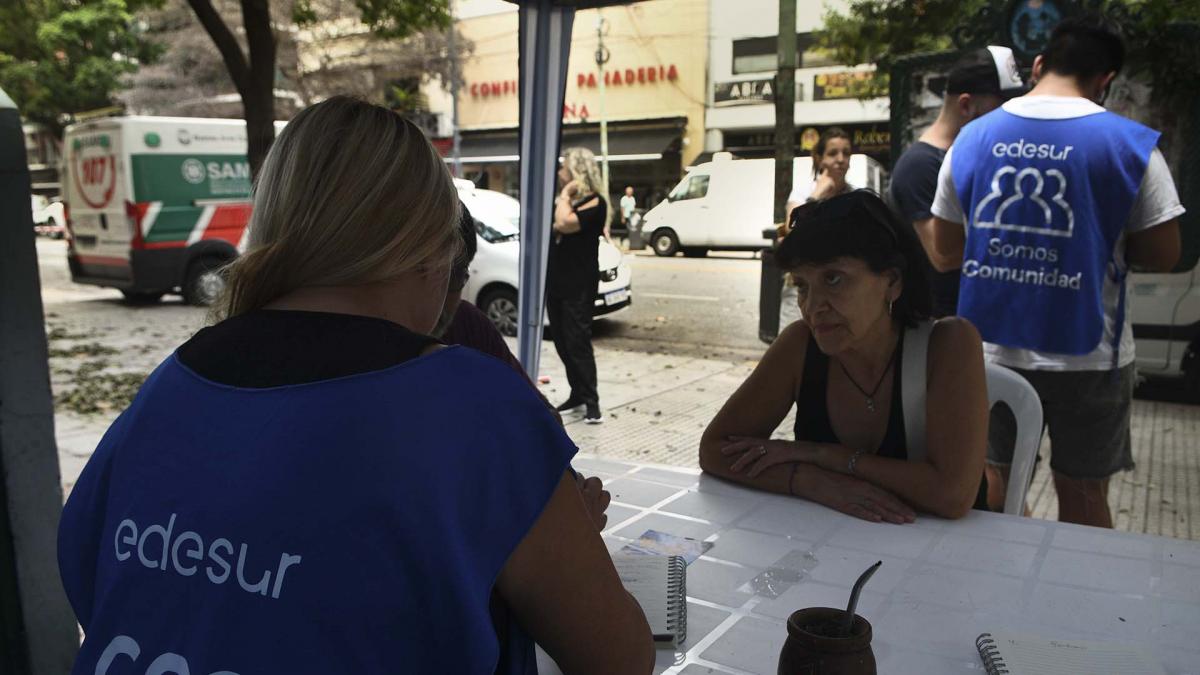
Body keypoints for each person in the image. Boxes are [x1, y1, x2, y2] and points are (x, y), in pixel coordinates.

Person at [56, 97, 653, 675]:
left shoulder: (173, 383)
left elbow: (92, 582)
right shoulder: (470, 405)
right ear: (428, 248)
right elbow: (619, 658)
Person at [928, 15, 1184, 527]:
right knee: (1085, 496)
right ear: (1106, 80)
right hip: (1090, 355)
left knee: (988, 488)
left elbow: (943, 252)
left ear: (1039, 64)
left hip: (990, 352)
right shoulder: (1131, 146)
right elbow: (1163, 253)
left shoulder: (973, 139)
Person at [700, 190, 989, 522]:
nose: (812, 308)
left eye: (833, 279)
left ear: (892, 282)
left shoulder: (949, 344)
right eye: (802, 286)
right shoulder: (799, 345)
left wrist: (819, 454)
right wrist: (810, 481)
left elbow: (952, 495)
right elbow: (715, 449)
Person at [889, 46, 1025, 317]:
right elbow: (943, 257)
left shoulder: (979, 156)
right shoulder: (920, 166)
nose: (1012, 115)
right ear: (966, 104)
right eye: (1002, 106)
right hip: (937, 326)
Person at [547, 147, 609, 424]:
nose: (560, 173)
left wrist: (563, 196)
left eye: (564, 168)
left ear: (576, 172)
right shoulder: (569, 201)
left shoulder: (595, 202)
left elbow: (563, 222)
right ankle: (577, 393)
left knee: (577, 341)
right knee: (560, 339)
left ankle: (592, 401)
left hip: (579, 283)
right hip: (558, 280)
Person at [779, 128, 856, 328]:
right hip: (802, 285)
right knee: (795, 343)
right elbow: (791, 229)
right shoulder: (805, 190)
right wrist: (817, 196)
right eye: (833, 153)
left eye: (846, 153)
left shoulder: (855, 197)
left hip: (839, 289)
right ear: (819, 158)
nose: (840, 159)